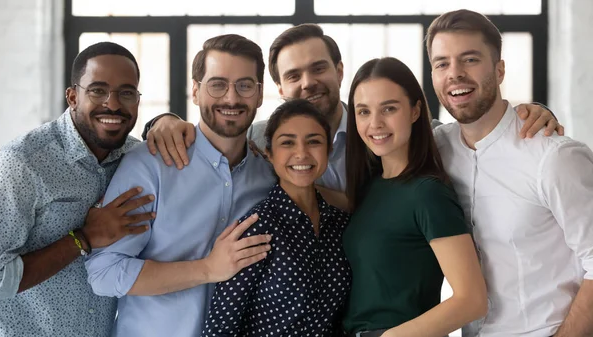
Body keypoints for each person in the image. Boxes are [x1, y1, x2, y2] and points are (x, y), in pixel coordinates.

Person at [141, 24, 563, 191]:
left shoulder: (395, 131)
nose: (308, 82)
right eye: (293, 75)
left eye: (318, 67)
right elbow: (214, 133)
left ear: (340, 70)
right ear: (278, 86)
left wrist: (532, 111)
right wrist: (164, 121)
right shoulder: (259, 138)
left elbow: (468, 133)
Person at [85, 34, 275, 337]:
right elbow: (104, 273)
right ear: (196, 91)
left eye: (245, 85)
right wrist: (208, 269)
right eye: (217, 84)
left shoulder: (268, 176)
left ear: (260, 94)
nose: (231, 98)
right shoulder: (149, 165)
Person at [427, 9, 593, 337]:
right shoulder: (435, 149)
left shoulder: (554, 156)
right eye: (442, 63)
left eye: (470, 59)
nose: (454, 74)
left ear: (499, 70)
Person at [0, 42, 155, 336]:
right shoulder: (23, 162)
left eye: (126, 92)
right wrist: (83, 238)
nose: (113, 104)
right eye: (98, 90)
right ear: (72, 96)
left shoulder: (137, 160)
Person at [341, 57, 487, 337]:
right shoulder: (370, 186)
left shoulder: (428, 193)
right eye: (363, 112)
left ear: (415, 110)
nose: (375, 124)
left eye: (389, 109)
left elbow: (472, 300)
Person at [202, 99, 351, 336]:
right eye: (287, 143)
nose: (301, 153)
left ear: (329, 151)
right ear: (269, 153)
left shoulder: (340, 224)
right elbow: (220, 328)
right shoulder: (256, 228)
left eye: (313, 141)